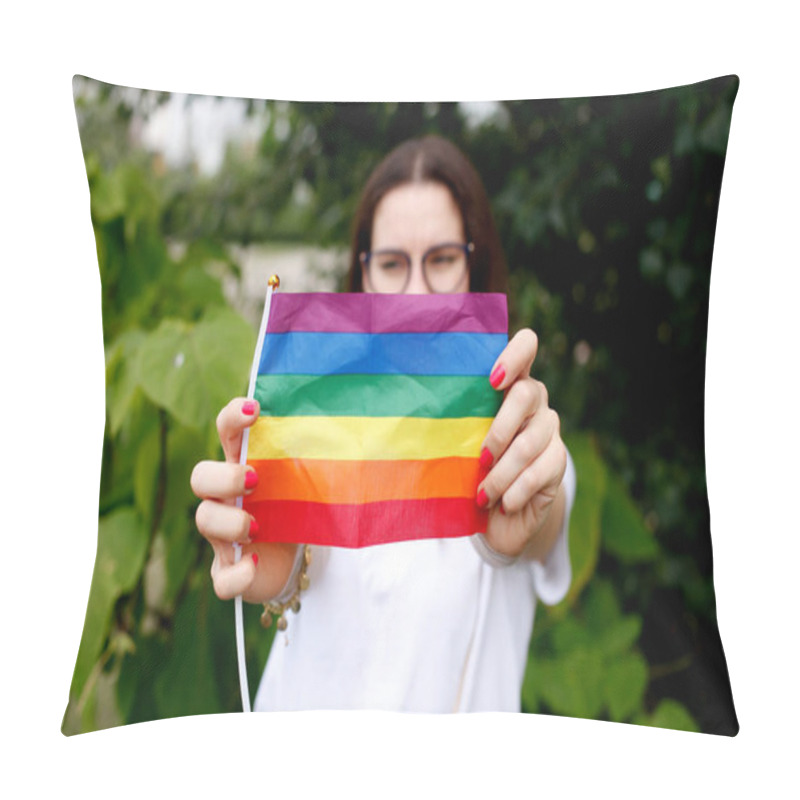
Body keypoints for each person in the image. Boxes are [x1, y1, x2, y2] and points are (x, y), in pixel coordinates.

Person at [190, 135, 576, 712]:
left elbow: (544, 519)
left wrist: (524, 508)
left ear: (478, 265)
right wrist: (271, 569)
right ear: (361, 275)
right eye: (392, 263)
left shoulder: (524, 434)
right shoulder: (319, 423)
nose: (416, 292)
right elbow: (288, 570)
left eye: (442, 259)